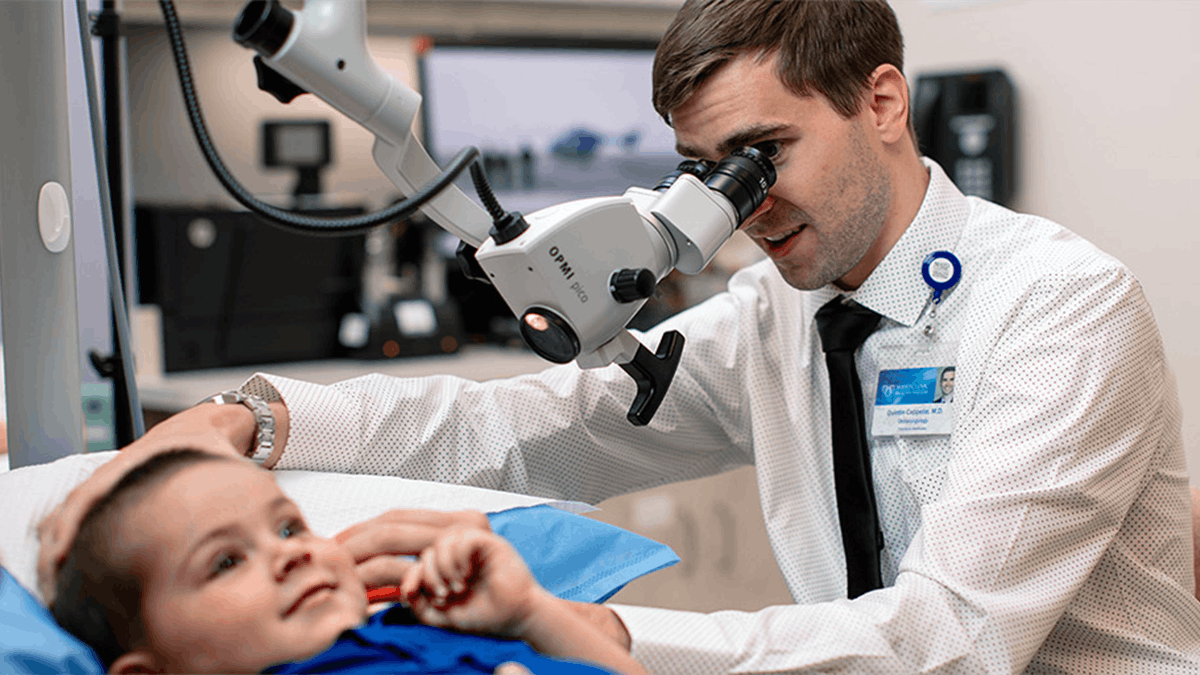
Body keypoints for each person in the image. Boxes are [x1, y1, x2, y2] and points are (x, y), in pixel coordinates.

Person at [41, 0, 1199, 672]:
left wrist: (585, 630)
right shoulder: (776, 314)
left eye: (762, 155)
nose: (739, 204)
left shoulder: (1056, 308)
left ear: (883, 103)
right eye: (706, 174)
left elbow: (947, 643)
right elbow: (530, 426)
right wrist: (264, 419)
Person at [49, 448, 645, 675]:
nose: (289, 554)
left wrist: (527, 611)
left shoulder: (419, 628)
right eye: (226, 562)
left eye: (288, 526)